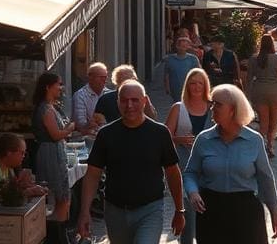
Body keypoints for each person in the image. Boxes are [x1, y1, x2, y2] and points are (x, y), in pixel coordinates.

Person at [78, 81, 185, 244]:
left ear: (144, 101)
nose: (129, 105)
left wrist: (179, 210)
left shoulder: (159, 133)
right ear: (117, 102)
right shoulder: (106, 134)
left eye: (135, 100)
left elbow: (172, 172)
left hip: (150, 210)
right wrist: (85, 211)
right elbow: (93, 174)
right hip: (115, 211)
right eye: (124, 100)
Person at [184, 84, 277, 243]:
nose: (212, 108)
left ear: (233, 110)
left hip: (245, 212)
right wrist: (193, 192)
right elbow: (190, 172)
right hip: (212, 210)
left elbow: (266, 179)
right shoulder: (203, 139)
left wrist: (274, 213)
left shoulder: (254, 140)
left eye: (218, 104)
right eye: (212, 103)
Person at [165, 68, 214, 244]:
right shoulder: (178, 108)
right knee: (188, 210)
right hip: (184, 167)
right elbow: (164, 137)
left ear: (205, 85)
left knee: (208, 212)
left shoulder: (213, 107)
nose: (196, 87)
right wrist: (178, 139)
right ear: (187, 85)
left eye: (200, 83)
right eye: (192, 83)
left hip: (210, 168)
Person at [31, 72, 75, 235]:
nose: (61, 88)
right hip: (50, 152)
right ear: (48, 87)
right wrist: (69, 128)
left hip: (55, 151)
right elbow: (56, 135)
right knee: (58, 194)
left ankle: (59, 230)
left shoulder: (51, 106)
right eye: (59, 84)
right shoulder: (45, 109)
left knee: (62, 194)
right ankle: (56, 232)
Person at [0, 133, 46, 206]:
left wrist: (22, 185)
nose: (23, 156)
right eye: (22, 153)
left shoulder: (5, 164)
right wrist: (25, 192)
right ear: (9, 153)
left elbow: (9, 189)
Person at [72, 62, 110, 137]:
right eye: (101, 77)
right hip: (89, 139)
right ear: (90, 77)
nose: (104, 80)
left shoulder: (109, 94)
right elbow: (80, 124)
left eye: (105, 77)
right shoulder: (80, 95)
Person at [164, 35, 201, 101]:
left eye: (185, 46)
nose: (182, 48)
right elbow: (166, 74)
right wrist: (167, 87)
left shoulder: (193, 59)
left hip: (189, 87)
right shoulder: (170, 59)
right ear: (177, 46)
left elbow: (198, 73)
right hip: (175, 88)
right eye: (181, 46)